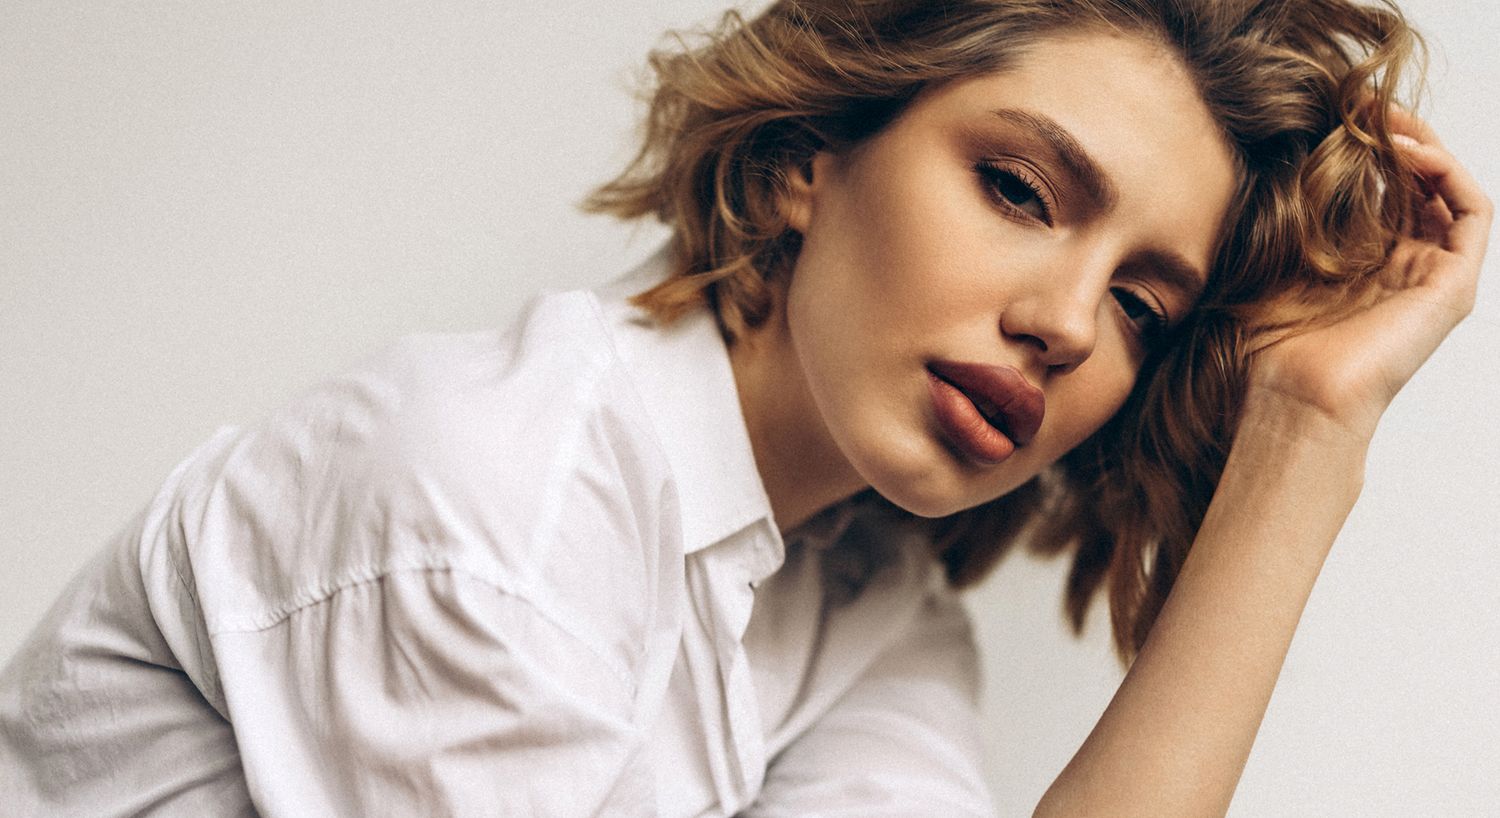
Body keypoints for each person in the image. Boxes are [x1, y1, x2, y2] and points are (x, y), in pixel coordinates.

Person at [0, 0, 1487, 815]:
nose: (1059, 321)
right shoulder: (494, 507)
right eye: (1020, 189)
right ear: (804, 161)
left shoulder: (866, 608)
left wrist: (1307, 431)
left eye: (1140, 308)